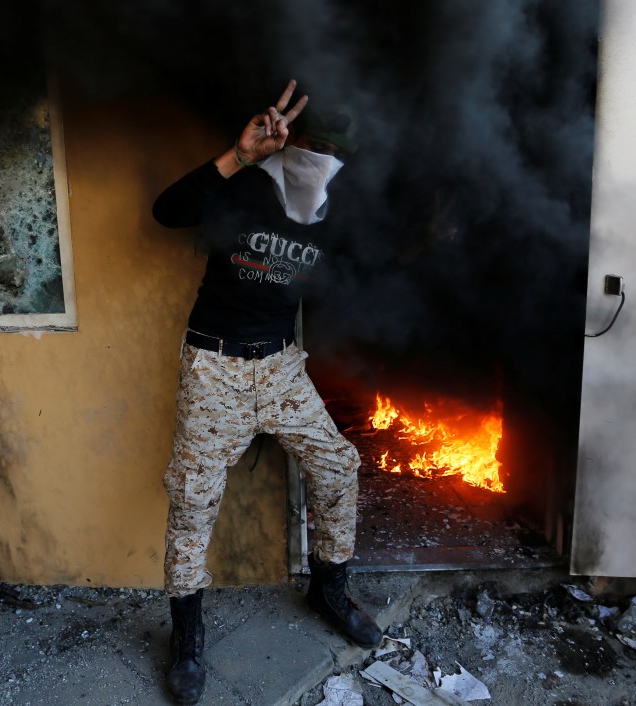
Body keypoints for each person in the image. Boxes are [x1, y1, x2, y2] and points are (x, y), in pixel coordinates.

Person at [152, 80, 383, 705]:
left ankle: (329, 589)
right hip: (215, 367)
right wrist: (240, 155)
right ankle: (188, 635)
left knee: (337, 467)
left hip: (282, 369)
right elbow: (167, 212)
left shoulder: (339, 204)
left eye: (336, 151)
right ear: (293, 139)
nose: (321, 160)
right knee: (193, 498)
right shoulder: (249, 181)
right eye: (314, 145)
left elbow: (369, 267)